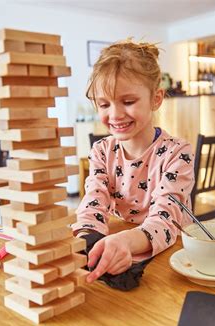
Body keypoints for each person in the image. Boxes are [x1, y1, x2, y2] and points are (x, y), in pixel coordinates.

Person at [72, 39, 195, 284]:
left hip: (174, 256)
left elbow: (166, 220)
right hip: (122, 246)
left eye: (128, 102)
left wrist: (124, 241)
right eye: (104, 104)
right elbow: (93, 202)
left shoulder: (177, 152)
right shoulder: (101, 150)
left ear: (156, 99)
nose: (115, 114)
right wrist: (88, 239)